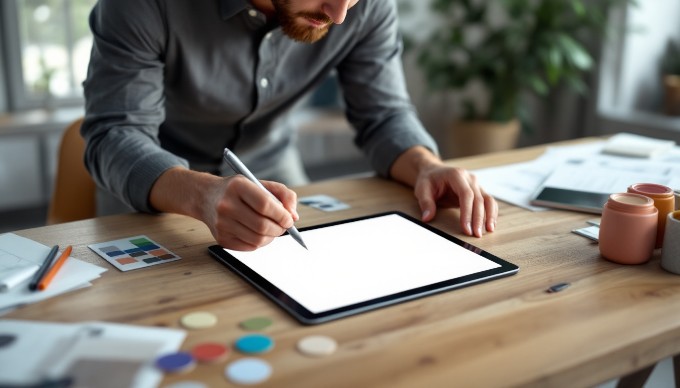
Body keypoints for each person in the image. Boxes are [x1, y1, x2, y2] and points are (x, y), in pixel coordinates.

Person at [82, 0, 498, 251]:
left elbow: (385, 115)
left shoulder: (361, 6)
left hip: (275, 169)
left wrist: (426, 166)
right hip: (156, 187)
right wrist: (202, 194)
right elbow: (115, 135)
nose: (339, 16)